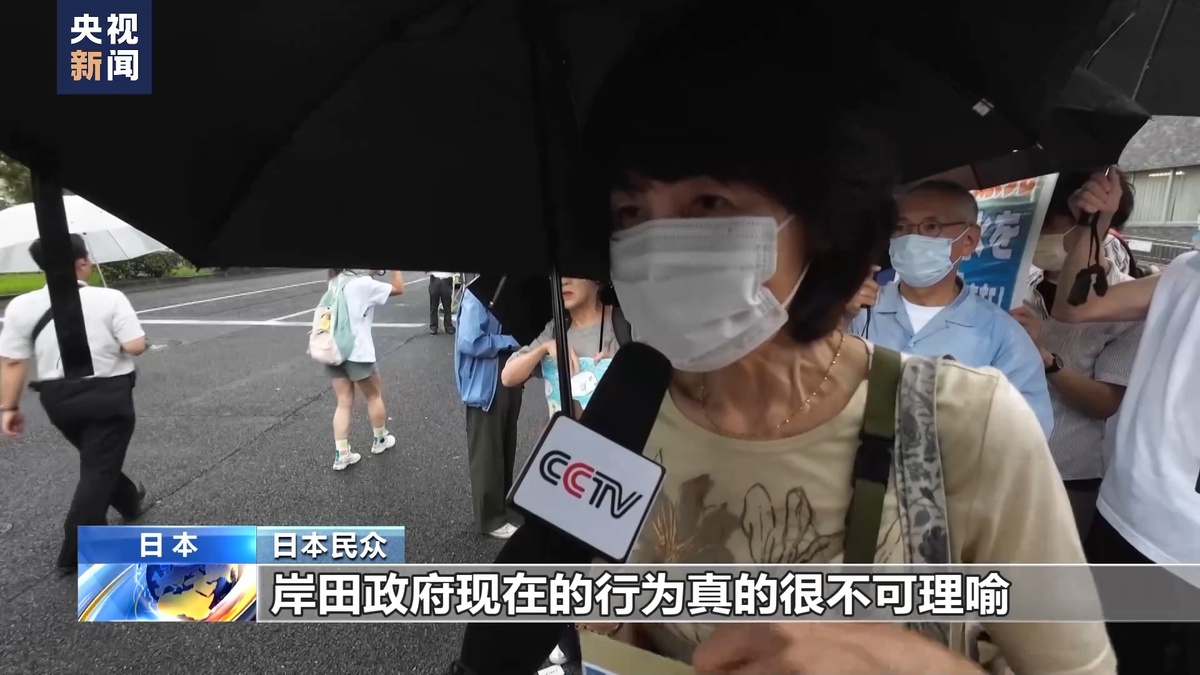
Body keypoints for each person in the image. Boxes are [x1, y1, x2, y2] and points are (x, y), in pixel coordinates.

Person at [576, 7, 1113, 674]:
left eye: (708, 201)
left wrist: (919, 667)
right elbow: (602, 623)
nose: (659, 248)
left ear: (824, 220)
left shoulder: (967, 425)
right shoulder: (620, 414)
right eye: (631, 212)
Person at [1053, 168, 1200, 674]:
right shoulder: (1185, 272)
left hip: (1187, 546)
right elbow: (1077, 308)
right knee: (1108, 658)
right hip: (1126, 514)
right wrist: (1096, 222)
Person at [845, 180, 1055, 437]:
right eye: (901, 227)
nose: (911, 239)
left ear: (968, 240)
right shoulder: (856, 311)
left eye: (931, 227)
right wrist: (834, 319)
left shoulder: (1002, 336)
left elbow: (1030, 433)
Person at [0, 235, 148, 573]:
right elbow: (135, 345)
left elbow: (12, 361)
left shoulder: (21, 306)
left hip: (59, 400)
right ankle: (75, 550)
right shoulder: (109, 298)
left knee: (98, 457)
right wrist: (114, 344)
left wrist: (9, 407)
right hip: (108, 395)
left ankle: (129, 499)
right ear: (80, 262)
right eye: (88, 258)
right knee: (98, 466)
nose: (91, 263)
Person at [1010, 170, 1143, 538]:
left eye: (1052, 227)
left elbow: (1104, 403)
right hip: (1001, 458)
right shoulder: (1019, 284)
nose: (1042, 237)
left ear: (1098, 224)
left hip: (1066, 472)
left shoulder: (1129, 303)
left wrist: (1045, 358)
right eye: (1039, 227)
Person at [454, 277, 523, 540]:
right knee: (487, 452)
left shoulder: (503, 291)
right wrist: (511, 340)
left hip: (505, 377)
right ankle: (490, 518)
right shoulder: (478, 294)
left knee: (505, 445)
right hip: (485, 383)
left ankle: (503, 507)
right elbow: (469, 341)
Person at [325, 269, 405, 470]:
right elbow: (398, 288)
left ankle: (342, 454)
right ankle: (380, 439)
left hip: (334, 351)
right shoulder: (363, 284)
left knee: (343, 402)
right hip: (358, 352)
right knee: (373, 396)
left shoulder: (335, 281)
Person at [500, 277, 622, 406]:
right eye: (559, 275)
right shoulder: (556, 328)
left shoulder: (623, 323)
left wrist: (622, 367)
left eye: (573, 272)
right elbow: (507, 378)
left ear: (596, 279)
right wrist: (544, 348)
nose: (563, 281)